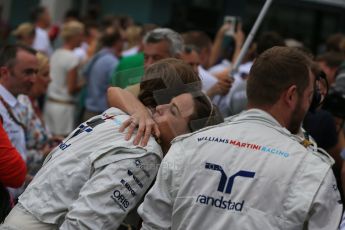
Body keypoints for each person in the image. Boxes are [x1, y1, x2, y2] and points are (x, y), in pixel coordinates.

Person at [1, 58, 222, 230]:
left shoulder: (114, 115)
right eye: (170, 105)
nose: (160, 110)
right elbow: (88, 223)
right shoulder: (143, 149)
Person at [138, 47, 343, 229]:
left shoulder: (187, 147)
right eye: (308, 97)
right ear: (291, 96)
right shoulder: (312, 169)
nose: (309, 106)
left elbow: (153, 223)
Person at [43, 21, 84, 136]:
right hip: (64, 109)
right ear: (75, 36)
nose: (83, 39)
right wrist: (83, 82)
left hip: (50, 104)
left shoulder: (56, 53)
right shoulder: (72, 58)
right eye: (81, 35)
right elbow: (71, 89)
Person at [82, 31, 124, 121]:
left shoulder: (97, 56)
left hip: (89, 110)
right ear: (117, 42)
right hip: (101, 114)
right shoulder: (112, 61)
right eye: (123, 40)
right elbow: (115, 87)